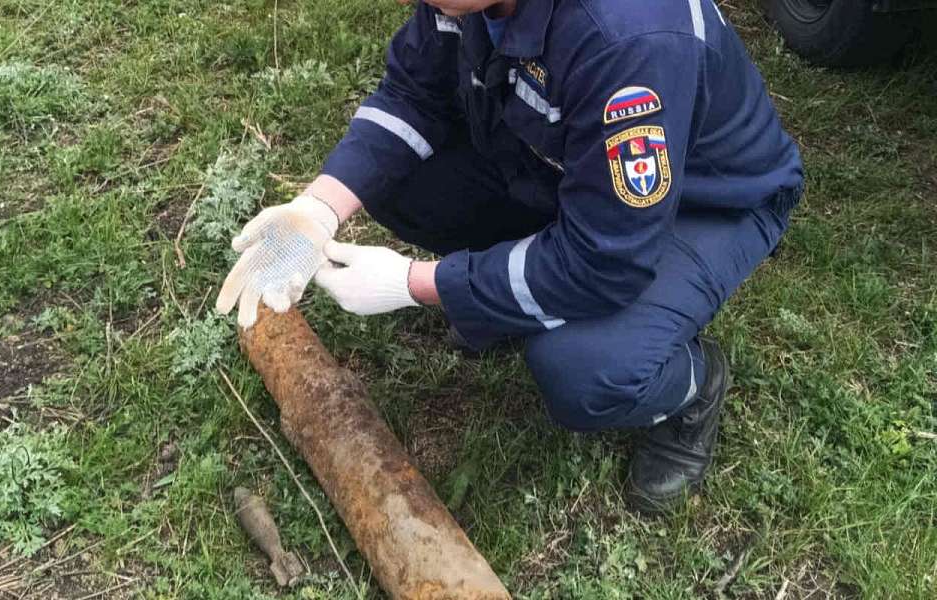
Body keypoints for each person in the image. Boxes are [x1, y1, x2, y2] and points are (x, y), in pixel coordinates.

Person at [216, 0, 803, 514]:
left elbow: (604, 261)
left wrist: (418, 283)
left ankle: (693, 389)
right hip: (571, 168)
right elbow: (412, 93)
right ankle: (508, 293)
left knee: (586, 369)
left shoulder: (628, 40)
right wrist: (318, 208)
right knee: (390, 178)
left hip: (706, 202)